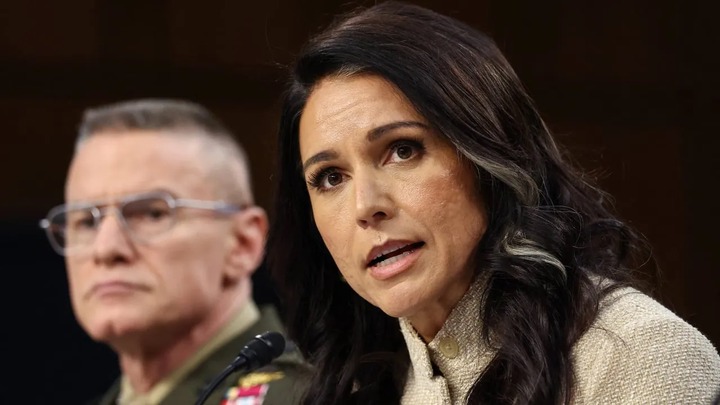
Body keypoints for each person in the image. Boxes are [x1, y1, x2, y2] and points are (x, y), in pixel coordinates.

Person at [266, 2, 720, 404]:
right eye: (330, 178)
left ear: (488, 156)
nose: (366, 206)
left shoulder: (641, 355)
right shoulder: (363, 385)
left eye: (403, 150)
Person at [39, 99, 305, 404]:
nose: (106, 249)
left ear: (243, 244)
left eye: (151, 214)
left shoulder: (309, 397)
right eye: (86, 221)